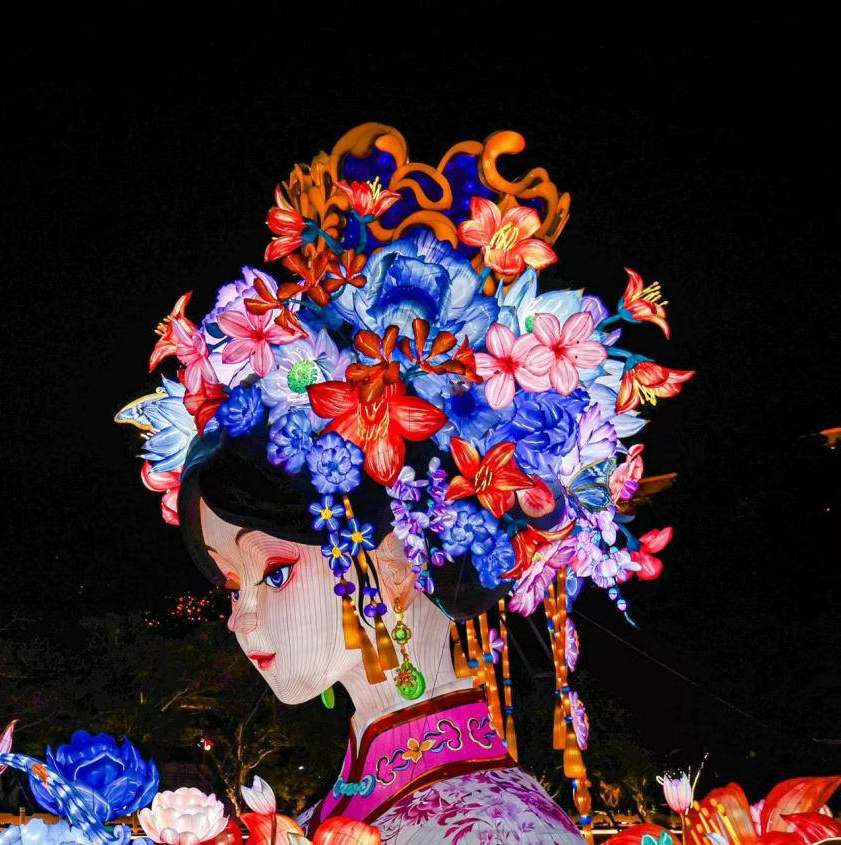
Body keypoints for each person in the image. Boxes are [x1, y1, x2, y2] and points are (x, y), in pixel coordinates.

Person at [119, 122, 690, 843]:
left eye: (273, 571)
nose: (239, 618)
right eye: (234, 585)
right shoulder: (341, 810)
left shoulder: (490, 829)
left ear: (393, 562)